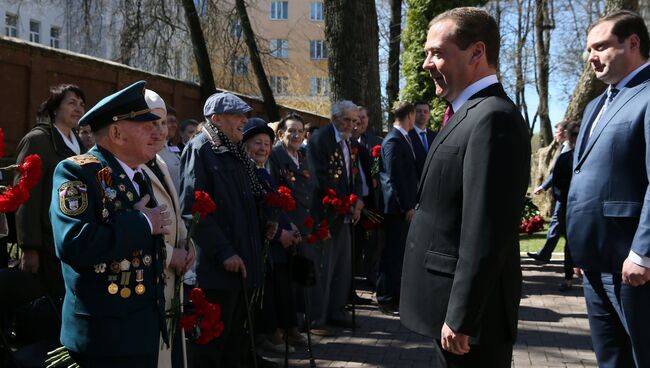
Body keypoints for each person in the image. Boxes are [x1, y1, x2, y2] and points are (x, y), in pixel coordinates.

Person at [399, 8, 530, 367]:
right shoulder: (466, 113)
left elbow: (486, 230)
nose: (427, 63)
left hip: (470, 323)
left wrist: (462, 316)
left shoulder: (493, 118)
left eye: (438, 52)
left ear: (477, 53)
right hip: (447, 309)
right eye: (426, 52)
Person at [50, 80, 170, 367]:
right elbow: (74, 243)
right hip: (105, 336)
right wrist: (142, 222)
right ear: (116, 132)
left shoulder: (138, 173)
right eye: (146, 125)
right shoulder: (76, 171)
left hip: (141, 327)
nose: (158, 132)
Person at [566, 11, 650, 368]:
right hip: (595, 260)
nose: (591, 57)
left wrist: (643, 253)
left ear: (633, 43)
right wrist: (583, 249)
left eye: (600, 47)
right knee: (610, 359)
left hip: (633, 264)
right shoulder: (594, 106)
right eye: (589, 49)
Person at [179, 92, 266, 367]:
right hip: (214, 274)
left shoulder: (235, 149)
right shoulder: (201, 148)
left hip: (240, 270)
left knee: (235, 348)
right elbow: (194, 209)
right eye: (237, 115)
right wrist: (225, 251)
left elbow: (245, 204)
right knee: (209, 352)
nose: (244, 120)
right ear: (216, 119)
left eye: (245, 114)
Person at [15, 84, 87, 302]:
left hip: (76, 241)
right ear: (55, 108)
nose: (78, 109)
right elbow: (25, 196)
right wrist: (29, 247)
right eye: (71, 103)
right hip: (48, 244)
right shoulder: (38, 140)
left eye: (82, 104)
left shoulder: (81, 147)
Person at [142, 89, 196, 368]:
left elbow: (175, 213)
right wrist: (168, 253)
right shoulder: (129, 167)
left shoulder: (160, 160)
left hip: (173, 277)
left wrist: (188, 246)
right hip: (150, 282)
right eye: (151, 123)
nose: (160, 131)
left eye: (163, 123)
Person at [241, 118, 303, 354]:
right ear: (245, 145)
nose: (263, 149)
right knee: (266, 290)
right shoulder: (248, 174)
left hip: (275, 244)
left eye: (267, 144)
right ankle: (267, 333)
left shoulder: (262, 174)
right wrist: (279, 233)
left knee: (282, 286)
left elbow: (277, 207)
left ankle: (284, 327)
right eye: (258, 143)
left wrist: (291, 228)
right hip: (262, 246)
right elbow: (260, 214)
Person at [306, 100, 364, 332]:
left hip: (346, 213)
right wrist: (343, 204)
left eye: (354, 121)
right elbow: (321, 180)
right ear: (334, 119)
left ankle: (337, 311)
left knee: (342, 265)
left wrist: (358, 201)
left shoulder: (350, 143)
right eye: (347, 120)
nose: (351, 125)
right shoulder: (321, 140)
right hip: (325, 214)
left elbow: (355, 174)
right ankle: (317, 318)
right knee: (324, 266)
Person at [268, 113, 320, 340]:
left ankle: (295, 325)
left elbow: (311, 192)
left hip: (303, 225)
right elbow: (273, 195)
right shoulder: (275, 156)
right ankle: (282, 328)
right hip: (285, 228)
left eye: (300, 131)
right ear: (281, 134)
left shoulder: (303, 155)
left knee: (299, 278)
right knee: (284, 281)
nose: (297, 135)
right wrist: (285, 226)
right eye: (291, 131)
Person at [376, 101, 419, 316]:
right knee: (392, 254)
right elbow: (395, 177)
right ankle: (385, 298)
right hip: (397, 209)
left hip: (402, 207)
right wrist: (407, 206)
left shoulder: (403, 138)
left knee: (399, 254)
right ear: (410, 115)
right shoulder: (393, 140)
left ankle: (395, 296)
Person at [527, 120, 569, 263]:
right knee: (557, 225)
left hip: (567, 195)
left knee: (558, 224)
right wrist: (543, 186)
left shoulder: (570, 149)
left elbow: (557, 172)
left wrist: (543, 186)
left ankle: (547, 254)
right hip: (561, 194)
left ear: (565, 133)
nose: (556, 135)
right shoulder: (563, 147)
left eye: (558, 132)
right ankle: (546, 253)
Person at [409, 101, 437, 176]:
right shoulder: (407, 135)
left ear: (429, 115)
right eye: (419, 111)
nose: (422, 114)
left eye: (425, 112)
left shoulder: (435, 136)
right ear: (413, 114)